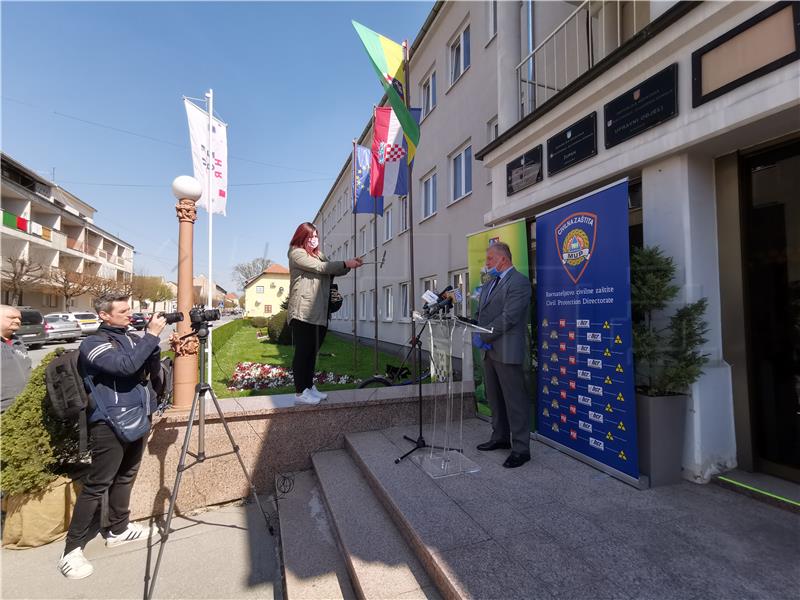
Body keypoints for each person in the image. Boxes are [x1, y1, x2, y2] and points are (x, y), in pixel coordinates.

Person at [57, 292, 167, 580]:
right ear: (104, 315)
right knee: (97, 484)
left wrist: (152, 343)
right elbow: (124, 367)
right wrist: (151, 336)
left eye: (130, 308)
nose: (129, 314)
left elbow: (145, 367)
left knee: (126, 476)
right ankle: (72, 550)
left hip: (137, 417)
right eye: (123, 310)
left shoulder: (130, 337)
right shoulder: (92, 343)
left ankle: (118, 528)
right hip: (108, 423)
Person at [287, 222, 362, 404]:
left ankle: (308, 387)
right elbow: (322, 268)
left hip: (319, 311)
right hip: (303, 311)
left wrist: (349, 266)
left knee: (313, 352)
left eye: (316, 236)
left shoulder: (319, 255)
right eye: (310, 236)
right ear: (301, 238)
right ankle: (300, 392)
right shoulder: (296, 253)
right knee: (303, 352)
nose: (314, 240)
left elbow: (331, 268)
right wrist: (346, 263)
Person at [473, 242, 533, 468]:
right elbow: (481, 313)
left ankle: (521, 449)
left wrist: (484, 337)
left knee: (514, 401)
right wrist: (476, 330)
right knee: (495, 399)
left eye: (489, 259)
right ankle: (499, 437)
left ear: (502, 259)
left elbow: (510, 317)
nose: (486, 263)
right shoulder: (490, 283)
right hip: (490, 352)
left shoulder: (518, 282)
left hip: (507, 351)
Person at [0, 304, 32, 412]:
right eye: (12, 317)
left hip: (22, 406)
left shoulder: (18, 342)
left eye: (19, 318)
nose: (17, 321)